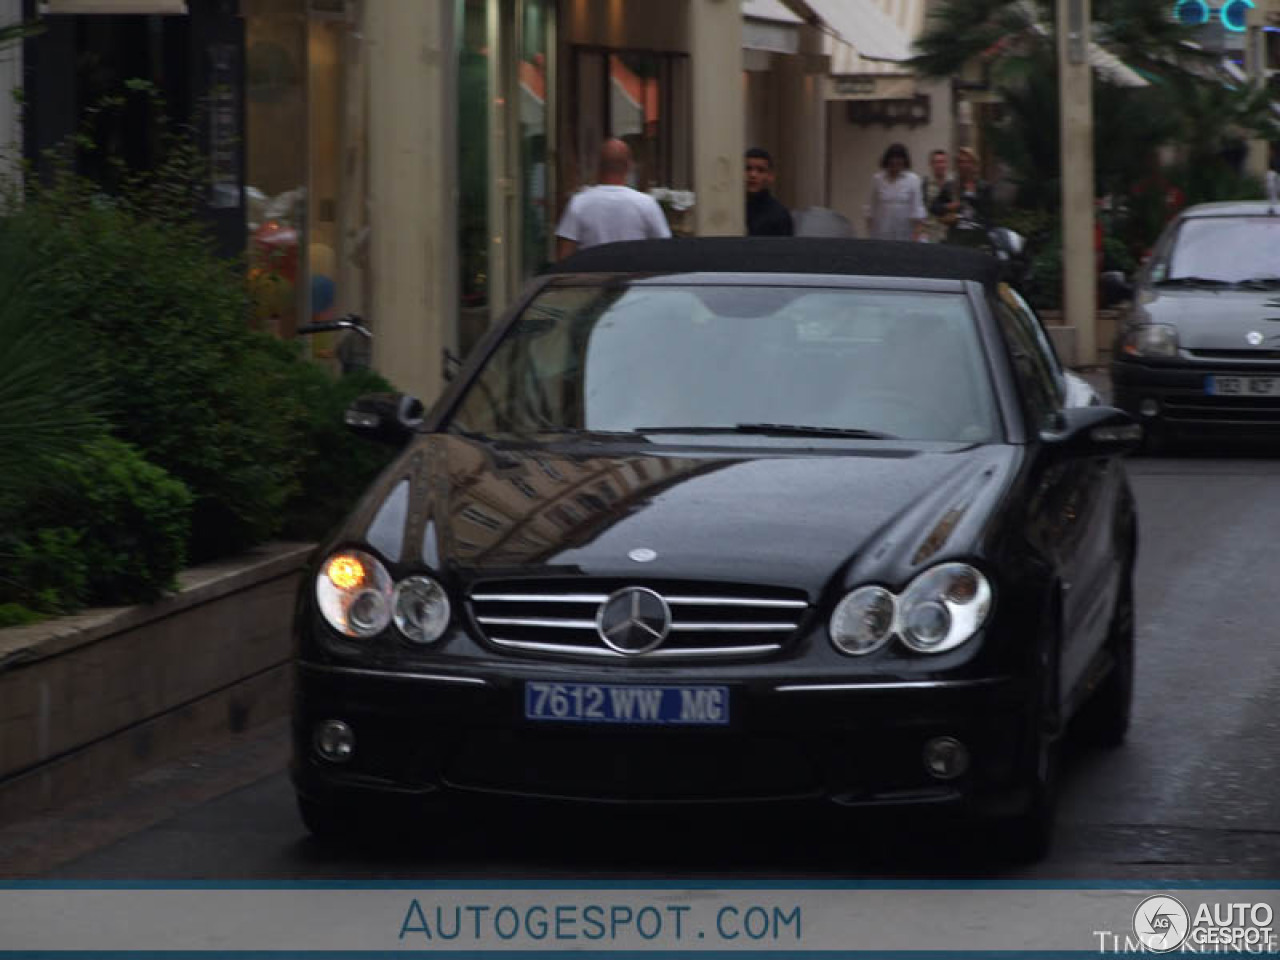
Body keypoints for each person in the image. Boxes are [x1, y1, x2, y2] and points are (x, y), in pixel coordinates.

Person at [555, 138, 671, 259]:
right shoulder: (646, 204)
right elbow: (665, 249)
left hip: (591, 276)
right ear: (629, 166)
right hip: (634, 276)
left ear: (599, 166)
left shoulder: (579, 203)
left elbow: (564, 256)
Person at [930, 146, 995, 247]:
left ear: (974, 164)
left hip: (977, 240)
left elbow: (990, 216)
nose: (963, 165)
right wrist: (948, 208)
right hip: (956, 238)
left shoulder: (983, 187)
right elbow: (934, 207)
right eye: (960, 162)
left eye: (967, 162)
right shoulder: (950, 186)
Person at [865, 143, 926, 242]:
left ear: (905, 160)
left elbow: (918, 210)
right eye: (892, 158)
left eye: (899, 158)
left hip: (905, 235)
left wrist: (917, 236)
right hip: (880, 234)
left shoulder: (913, 180)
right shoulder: (877, 179)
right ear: (887, 160)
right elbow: (870, 209)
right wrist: (870, 234)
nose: (895, 161)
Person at [744, 148, 794, 236]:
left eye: (760, 170)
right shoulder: (731, 208)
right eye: (748, 169)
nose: (753, 175)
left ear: (770, 176)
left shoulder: (779, 215)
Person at [920, 148, 951, 243]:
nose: (940, 165)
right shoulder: (924, 184)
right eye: (936, 162)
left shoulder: (954, 183)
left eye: (942, 162)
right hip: (930, 234)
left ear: (947, 164)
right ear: (931, 164)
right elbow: (921, 210)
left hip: (949, 235)